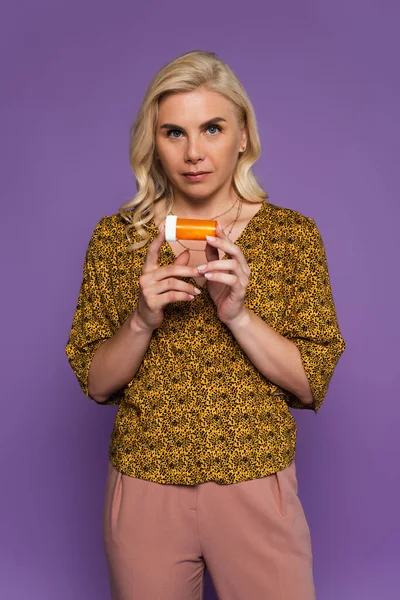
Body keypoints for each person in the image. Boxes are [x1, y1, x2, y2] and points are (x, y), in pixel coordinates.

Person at [65, 50, 346, 600]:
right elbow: (96, 382)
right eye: (174, 132)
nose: (194, 152)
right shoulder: (117, 238)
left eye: (212, 128)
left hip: (255, 479)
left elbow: (313, 379)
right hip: (145, 480)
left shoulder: (292, 237)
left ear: (242, 135)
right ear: (154, 143)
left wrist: (237, 314)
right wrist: (143, 320)